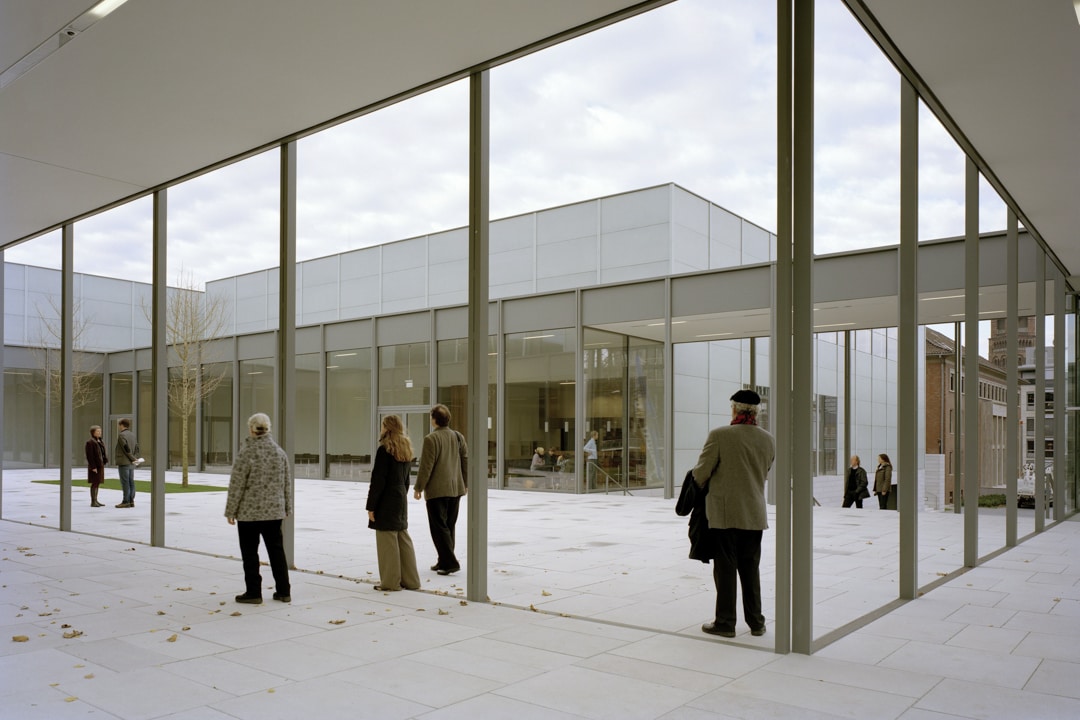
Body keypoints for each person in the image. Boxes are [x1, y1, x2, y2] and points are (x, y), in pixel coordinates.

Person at [692, 389, 774, 638]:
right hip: (754, 513)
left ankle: (725, 622)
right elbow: (765, 469)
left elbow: (700, 473)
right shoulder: (768, 439)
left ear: (735, 409)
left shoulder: (720, 435)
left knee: (725, 569)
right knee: (751, 568)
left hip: (725, 514)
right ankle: (757, 622)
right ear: (756, 412)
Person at [225, 413, 292, 604]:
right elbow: (286, 483)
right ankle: (284, 591)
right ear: (268, 429)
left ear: (251, 429)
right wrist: (287, 507)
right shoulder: (279, 453)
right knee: (276, 551)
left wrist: (231, 511)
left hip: (249, 513)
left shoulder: (246, 453)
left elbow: (236, 484)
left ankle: (254, 592)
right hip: (273, 512)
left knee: (250, 553)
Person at [366, 415, 421, 591]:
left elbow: (378, 481)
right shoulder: (405, 448)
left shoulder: (385, 450)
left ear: (387, 428)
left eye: (382, 425)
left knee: (387, 540)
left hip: (386, 500)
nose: (381, 428)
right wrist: (401, 496)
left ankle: (390, 582)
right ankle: (411, 581)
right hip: (400, 499)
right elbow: (406, 481)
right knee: (403, 538)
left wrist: (371, 506)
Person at [414, 404, 468, 576]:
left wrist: (419, 487)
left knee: (438, 528)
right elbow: (465, 461)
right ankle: (443, 560)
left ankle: (450, 563)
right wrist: (465, 483)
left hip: (438, 490)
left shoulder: (431, 439)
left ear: (435, 419)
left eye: (431, 416)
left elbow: (426, 466)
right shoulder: (458, 437)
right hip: (456, 489)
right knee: (449, 526)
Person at [113, 418, 139, 508]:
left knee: (125, 482)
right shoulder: (133, 435)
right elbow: (136, 448)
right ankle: (131, 500)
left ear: (121, 425)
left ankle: (125, 501)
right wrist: (134, 458)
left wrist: (132, 458)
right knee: (131, 481)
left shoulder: (121, 435)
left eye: (119, 425)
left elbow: (126, 449)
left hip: (124, 462)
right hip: (131, 463)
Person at [84, 425, 108, 508]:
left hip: (100, 465)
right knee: (94, 483)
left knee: (97, 482)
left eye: (100, 431)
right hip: (95, 466)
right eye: (98, 431)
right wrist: (93, 467)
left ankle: (96, 500)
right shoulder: (90, 443)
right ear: (93, 433)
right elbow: (89, 456)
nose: (99, 433)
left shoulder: (100, 441)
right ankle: (93, 501)